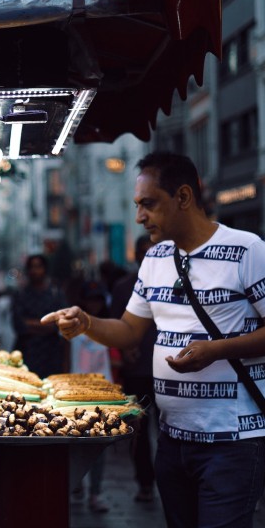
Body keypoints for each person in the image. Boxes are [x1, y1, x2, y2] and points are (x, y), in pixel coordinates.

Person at [42, 152, 265, 528]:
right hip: (172, 440)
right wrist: (85, 322)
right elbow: (129, 329)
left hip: (234, 443)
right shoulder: (155, 258)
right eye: (137, 205)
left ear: (182, 197)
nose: (139, 217)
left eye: (149, 204)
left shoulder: (248, 250)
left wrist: (216, 350)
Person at [110, 234, 158, 504]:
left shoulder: (174, 282)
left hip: (169, 369)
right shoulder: (124, 286)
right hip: (137, 368)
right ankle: (145, 481)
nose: (148, 254)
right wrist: (125, 348)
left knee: (169, 430)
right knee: (138, 428)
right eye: (143, 251)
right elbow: (117, 324)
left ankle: (166, 478)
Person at [69, 279, 112, 513]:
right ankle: (77, 486)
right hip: (75, 391)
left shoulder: (109, 325)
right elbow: (66, 356)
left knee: (99, 444)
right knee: (76, 441)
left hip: (103, 391)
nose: (94, 304)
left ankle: (95, 491)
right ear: (83, 301)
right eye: (90, 299)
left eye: (98, 300)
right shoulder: (72, 326)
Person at [11, 254, 68, 378]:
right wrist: (47, 324)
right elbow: (19, 324)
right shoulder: (21, 294)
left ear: (45, 269)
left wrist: (31, 323)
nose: (34, 271)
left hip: (51, 354)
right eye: (31, 267)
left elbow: (60, 323)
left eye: (38, 267)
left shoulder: (55, 293)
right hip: (27, 353)